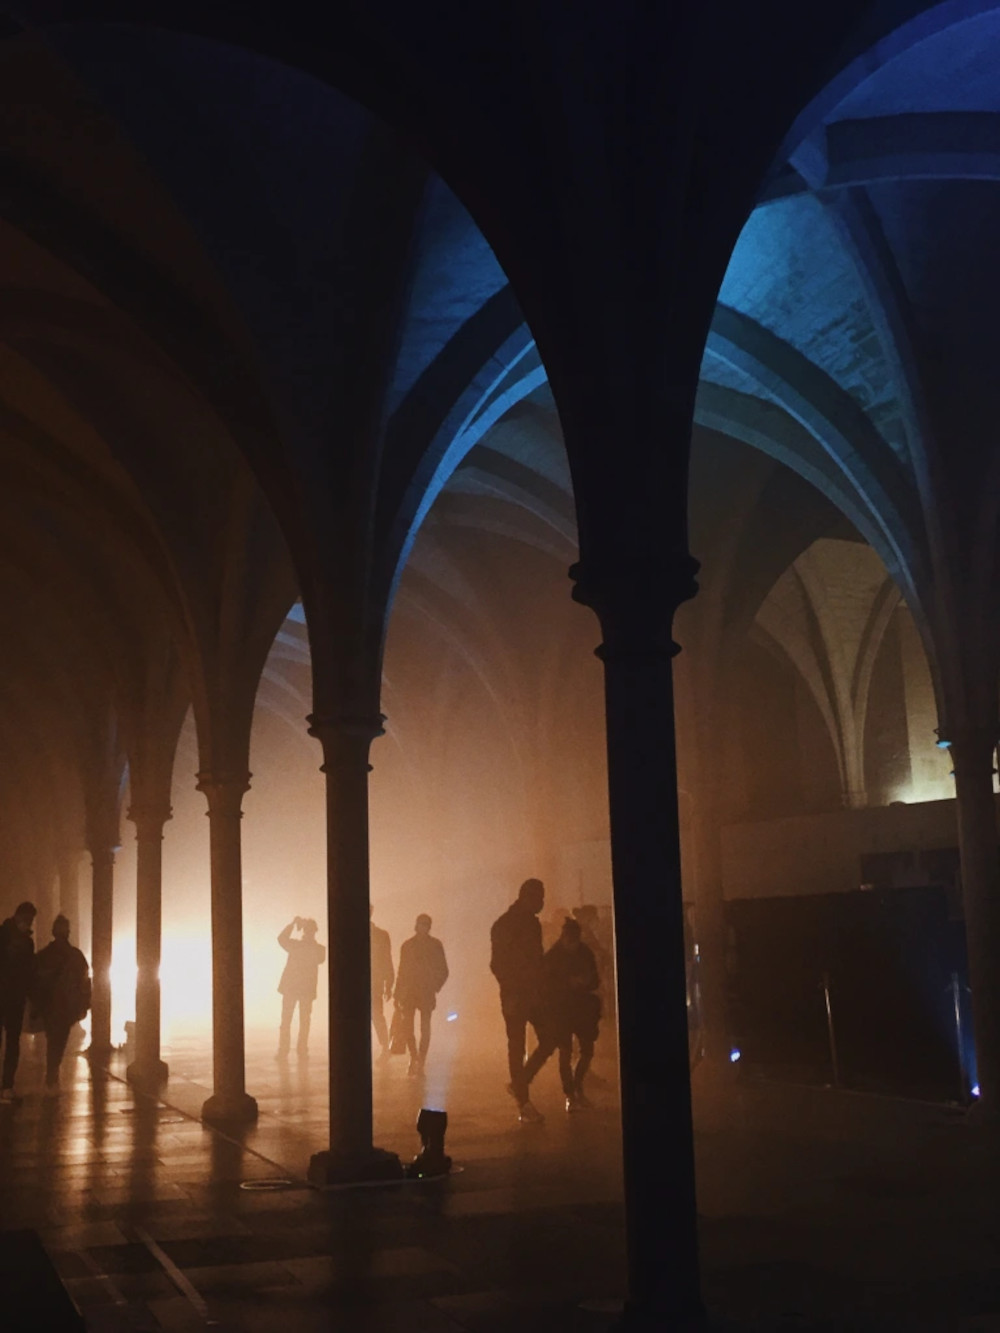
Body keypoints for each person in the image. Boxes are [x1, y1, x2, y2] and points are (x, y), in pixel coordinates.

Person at [520, 917, 601, 1111]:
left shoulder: (585, 953)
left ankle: (577, 1089)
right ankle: (570, 1094)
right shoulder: (553, 957)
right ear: (564, 937)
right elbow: (544, 986)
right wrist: (568, 984)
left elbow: (595, 980)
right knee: (565, 1053)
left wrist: (585, 983)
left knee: (587, 1052)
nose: (572, 944)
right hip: (561, 1011)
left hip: (582, 1010)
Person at [490, 877, 545, 1122]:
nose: (542, 902)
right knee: (517, 1044)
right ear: (527, 897)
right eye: (539, 897)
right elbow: (498, 963)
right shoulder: (505, 925)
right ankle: (522, 1099)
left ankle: (519, 1083)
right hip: (516, 993)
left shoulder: (533, 924)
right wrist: (511, 991)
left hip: (532, 992)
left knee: (547, 1036)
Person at [31, 915, 91, 1093]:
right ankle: (53, 1073)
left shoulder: (44, 956)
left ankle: (52, 1074)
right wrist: (84, 1004)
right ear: (68, 932)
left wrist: (36, 1004)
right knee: (60, 1041)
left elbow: (35, 981)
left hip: (50, 1006)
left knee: (53, 1040)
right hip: (67, 1007)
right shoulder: (76, 956)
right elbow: (85, 982)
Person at [394, 914, 448, 1076]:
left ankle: (419, 1059)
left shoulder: (431, 945)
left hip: (423, 991)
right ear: (417, 925)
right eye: (421, 924)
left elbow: (443, 970)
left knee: (424, 1028)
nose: (423, 927)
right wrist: (398, 993)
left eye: (426, 924)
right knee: (409, 1027)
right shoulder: (409, 946)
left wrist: (434, 985)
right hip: (412, 991)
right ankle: (415, 1057)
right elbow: (402, 971)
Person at [0, 901, 36, 1102]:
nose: (29, 923)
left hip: (11, 997)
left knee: (12, 1042)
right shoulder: (24, 942)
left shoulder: (3, 935)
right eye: (28, 919)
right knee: (13, 1043)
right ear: (20, 916)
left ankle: (6, 1086)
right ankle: (6, 1087)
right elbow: (29, 973)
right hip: (14, 998)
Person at [276, 916, 326, 1058]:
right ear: (315, 931)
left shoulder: (296, 945)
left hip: (291, 988)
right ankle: (301, 1048)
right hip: (305, 990)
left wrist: (292, 924)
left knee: (287, 1020)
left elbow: (281, 939)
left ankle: (284, 1049)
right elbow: (319, 959)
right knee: (303, 1021)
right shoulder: (319, 949)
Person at [370, 904, 394, 1060]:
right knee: (376, 1015)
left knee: (376, 1015)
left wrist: (389, 983)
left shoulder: (381, 935)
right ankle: (385, 1047)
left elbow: (386, 960)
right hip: (373, 982)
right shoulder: (380, 935)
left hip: (374, 982)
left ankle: (385, 1047)